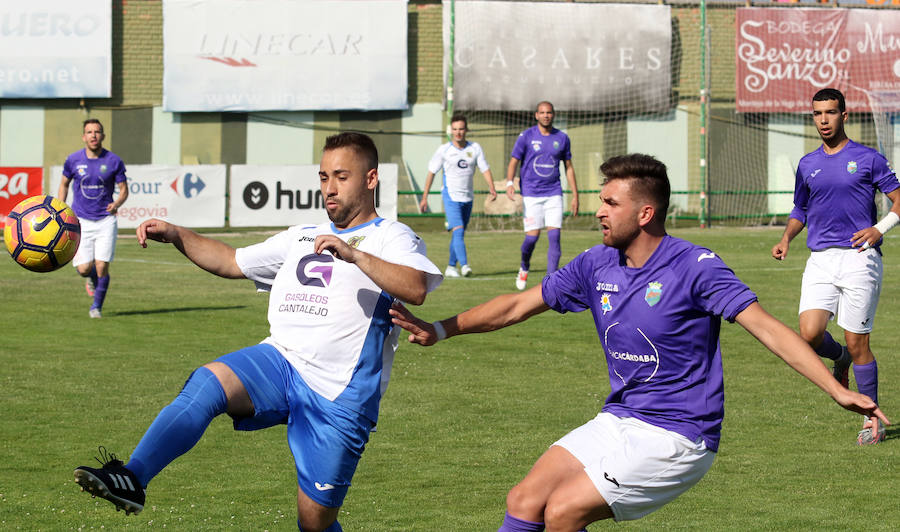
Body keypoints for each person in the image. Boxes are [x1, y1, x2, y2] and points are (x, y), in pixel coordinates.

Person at [390, 153, 888, 531]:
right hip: (620, 418)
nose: (600, 212)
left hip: (680, 435)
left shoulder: (696, 267)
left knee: (562, 512)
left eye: (611, 203)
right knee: (524, 500)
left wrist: (834, 387)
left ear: (645, 213)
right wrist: (439, 329)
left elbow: (768, 328)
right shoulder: (595, 264)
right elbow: (518, 305)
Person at [72, 132, 443, 532]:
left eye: (341, 177)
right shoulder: (301, 235)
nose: (329, 189)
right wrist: (179, 234)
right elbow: (232, 260)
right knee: (208, 382)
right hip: (280, 361)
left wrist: (353, 252)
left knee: (314, 524)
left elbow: (415, 287)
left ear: (370, 179)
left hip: (340, 396)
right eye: (323, 177)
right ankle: (133, 477)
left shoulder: (392, 236)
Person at [771, 88, 900, 446]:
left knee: (859, 343)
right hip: (820, 260)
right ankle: (839, 359)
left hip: (859, 258)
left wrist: (879, 229)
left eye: (830, 113)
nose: (823, 120)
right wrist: (786, 239)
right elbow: (801, 209)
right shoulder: (807, 164)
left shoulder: (869, 158)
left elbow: (899, 199)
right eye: (817, 114)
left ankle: (872, 420)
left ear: (844, 115)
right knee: (809, 336)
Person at [58, 118, 129, 319]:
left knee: (101, 266)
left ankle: (96, 307)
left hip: (106, 220)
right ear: (84, 136)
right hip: (80, 220)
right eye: (89, 132)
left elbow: (124, 190)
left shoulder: (113, 161)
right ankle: (90, 279)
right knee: (84, 269)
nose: (93, 135)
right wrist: (61, 208)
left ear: (103, 136)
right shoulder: (73, 160)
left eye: (97, 132)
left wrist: (116, 204)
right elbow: (64, 184)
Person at [506, 101, 578, 291]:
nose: (546, 115)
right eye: (542, 112)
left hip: (554, 192)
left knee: (554, 236)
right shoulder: (526, 136)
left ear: (553, 115)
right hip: (531, 194)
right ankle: (524, 266)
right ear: (536, 115)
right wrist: (509, 182)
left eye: (549, 112)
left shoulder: (562, 138)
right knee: (532, 238)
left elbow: (569, 168)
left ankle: (551, 280)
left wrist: (575, 195)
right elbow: (514, 161)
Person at [419, 113, 498, 277]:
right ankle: (465, 266)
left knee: (458, 233)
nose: (458, 132)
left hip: (468, 197)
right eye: (455, 129)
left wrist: (492, 187)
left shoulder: (474, 148)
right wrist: (425, 197)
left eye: (461, 129)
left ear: (466, 129)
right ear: (451, 131)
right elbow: (432, 172)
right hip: (451, 196)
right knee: (459, 230)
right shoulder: (444, 150)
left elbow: (484, 168)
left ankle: (450, 267)